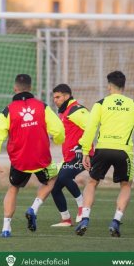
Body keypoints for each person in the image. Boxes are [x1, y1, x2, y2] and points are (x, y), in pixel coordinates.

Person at [0, 74, 65, 238]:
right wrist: (58, 140)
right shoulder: (42, 107)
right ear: (30, 88)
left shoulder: (8, 110)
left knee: (13, 188)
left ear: (15, 89)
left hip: (19, 160)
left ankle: (6, 228)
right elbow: (58, 130)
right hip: (41, 159)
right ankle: (33, 208)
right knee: (53, 178)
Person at [75, 71, 134, 237]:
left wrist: (86, 151)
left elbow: (90, 129)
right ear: (124, 86)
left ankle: (85, 218)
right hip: (123, 151)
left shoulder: (100, 103)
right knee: (125, 185)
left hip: (103, 149)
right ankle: (116, 220)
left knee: (92, 182)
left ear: (109, 86)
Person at [50, 84, 94, 227]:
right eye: (54, 97)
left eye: (58, 97)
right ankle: (66, 219)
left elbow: (91, 126)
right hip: (69, 158)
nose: (55, 100)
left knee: (64, 176)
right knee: (54, 187)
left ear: (67, 96)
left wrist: (82, 147)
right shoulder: (65, 112)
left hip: (84, 155)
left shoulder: (76, 110)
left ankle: (82, 207)